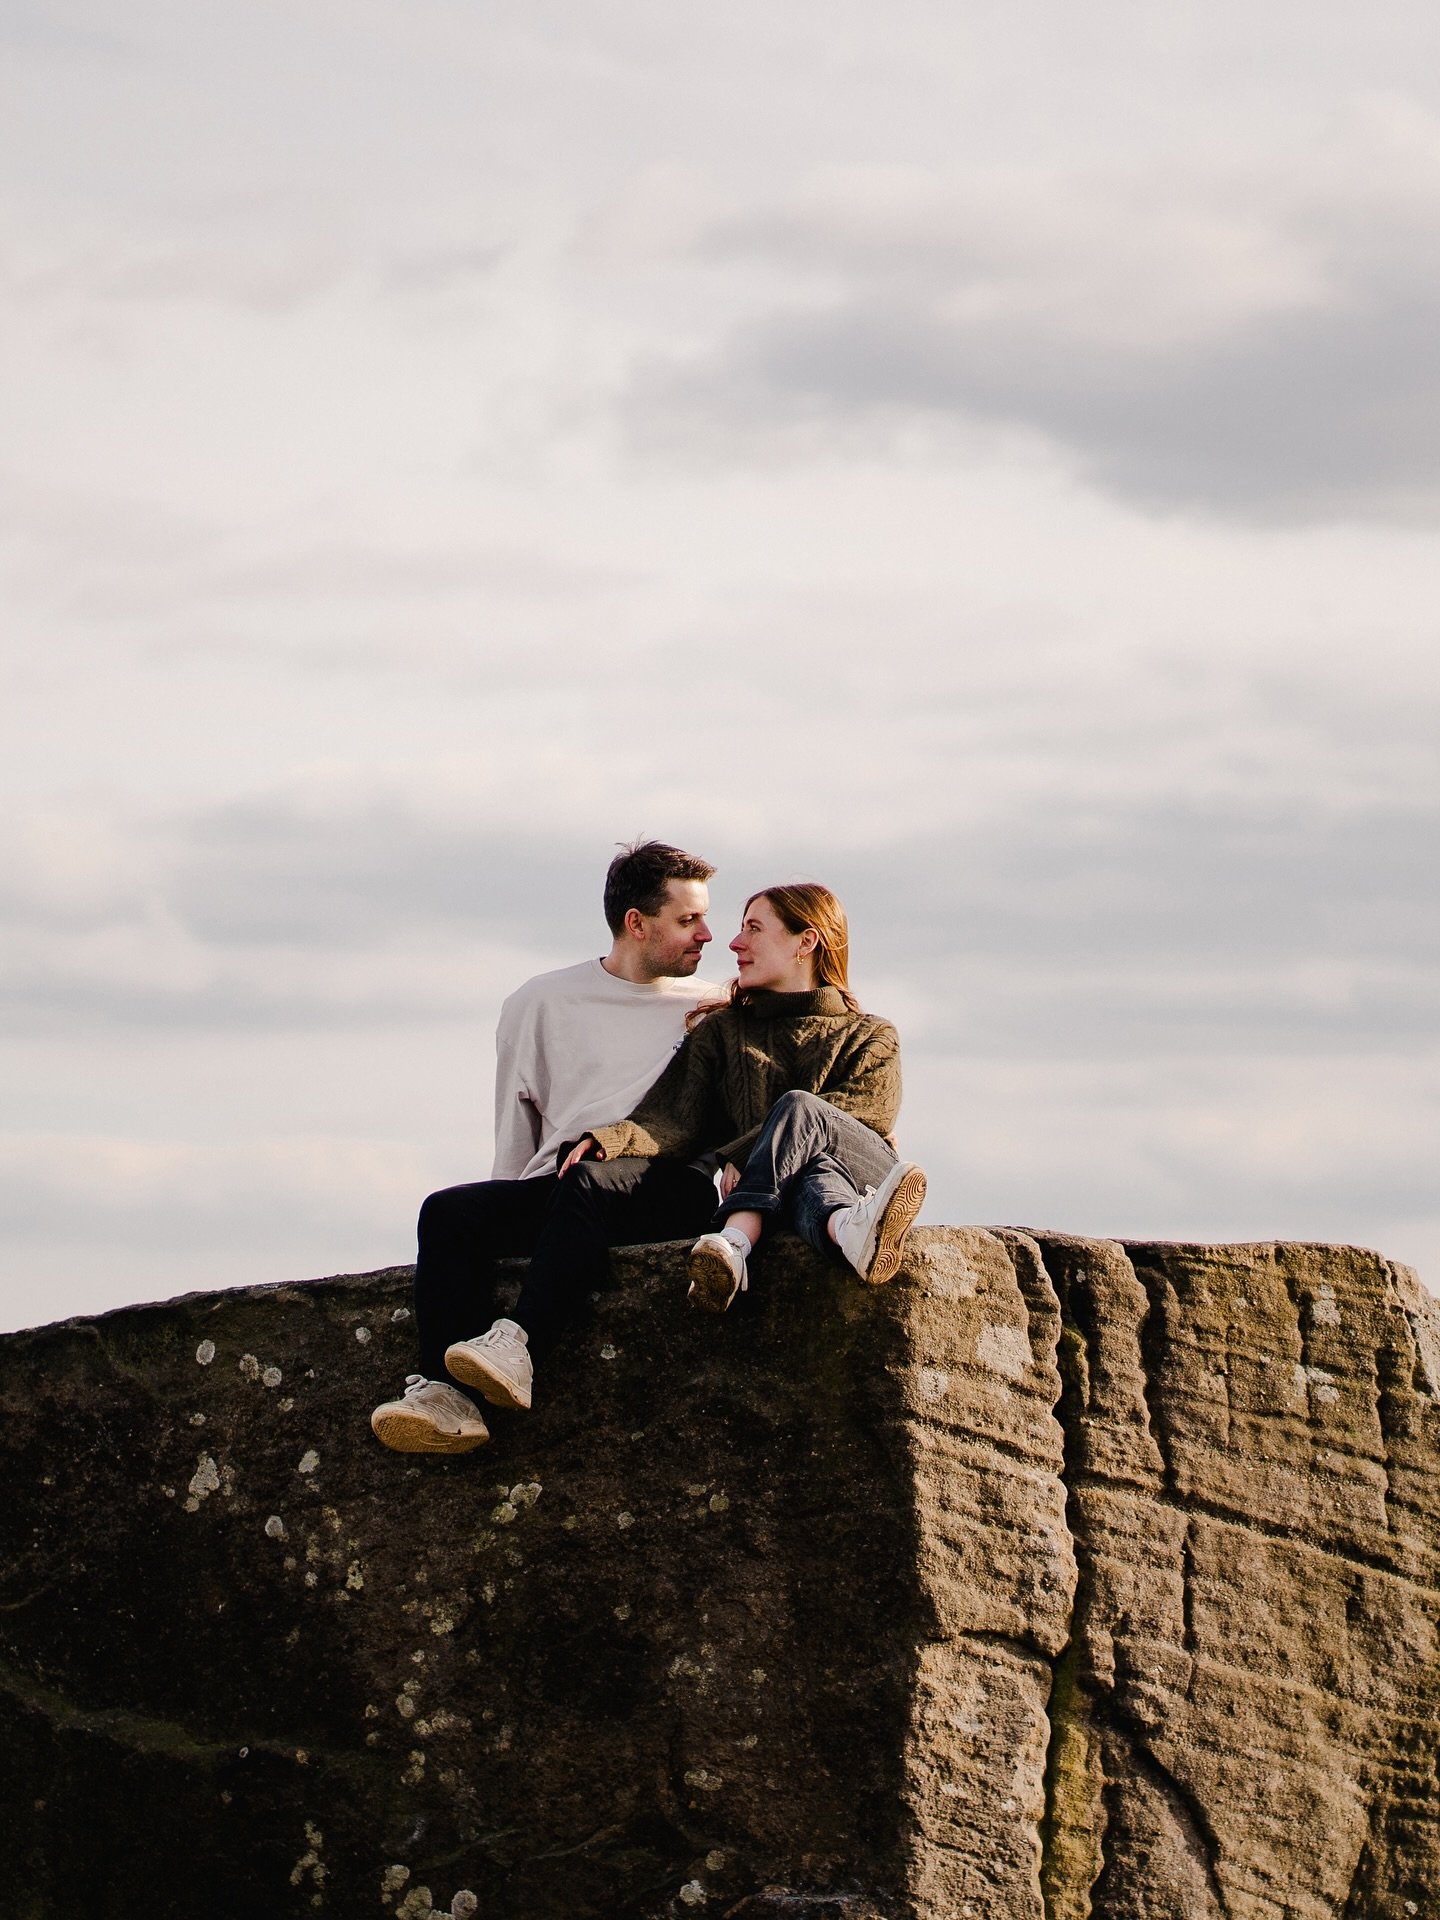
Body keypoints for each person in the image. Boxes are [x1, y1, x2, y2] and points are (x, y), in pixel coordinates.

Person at [442, 883, 926, 1420]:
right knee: (811, 1179)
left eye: (753, 929)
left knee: (802, 1115)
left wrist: (741, 1153)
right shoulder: (722, 1031)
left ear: (806, 942)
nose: (734, 943)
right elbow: (672, 1116)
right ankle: (847, 1230)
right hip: (794, 1199)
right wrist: (612, 1139)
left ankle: (739, 1240)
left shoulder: (870, 1034)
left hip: (844, 1167)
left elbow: (868, 1115)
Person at [370, 840, 720, 1454]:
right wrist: (501, 1218)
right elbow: (516, 1126)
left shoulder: (715, 1010)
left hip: (666, 1189)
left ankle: (521, 1342)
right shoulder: (540, 1002)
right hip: (566, 1189)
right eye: (688, 920)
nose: (708, 935)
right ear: (636, 924)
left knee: (583, 1179)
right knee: (446, 1213)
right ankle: (445, 1397)